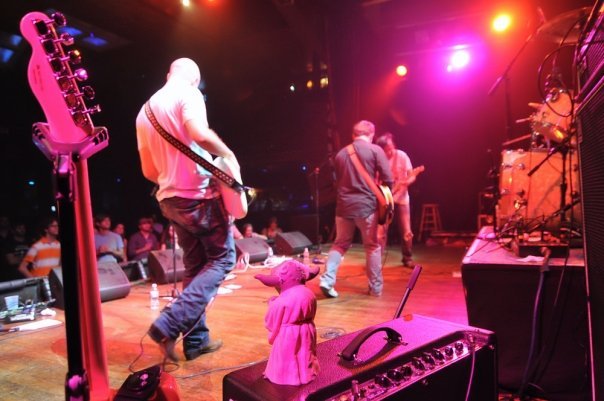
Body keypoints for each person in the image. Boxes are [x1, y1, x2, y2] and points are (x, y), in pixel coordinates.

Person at [136, 57, 238, 361]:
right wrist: (228, 155)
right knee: (223, 259)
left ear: (169, 74)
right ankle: (168, 324)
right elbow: (200, 134)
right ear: (195, 78)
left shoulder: (144, 111)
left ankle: (196, 341)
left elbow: (148, 170)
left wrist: (173, 179)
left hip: (170, 200)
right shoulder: (189, 93)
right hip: (198, 197)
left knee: (195, 267)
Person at [318, 120, 393, 298]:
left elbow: (338, 182)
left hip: (343, 207)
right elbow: (388, 179)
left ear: (353, 135)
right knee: (372, 246)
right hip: (366, 207)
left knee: (340, 244)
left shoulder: (340, 154)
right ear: (371, 134)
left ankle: (327, 280)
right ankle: (375, 288)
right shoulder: (375, 150)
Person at [375, 132, 418, 267]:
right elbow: (376, 180)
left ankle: (407, 258)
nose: (390, 151)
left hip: (402, 199)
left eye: (391, 148)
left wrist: (407, 182)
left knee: (406, 231)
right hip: (385, 199)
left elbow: (412, 175)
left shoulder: (402, 156)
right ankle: (376, 260)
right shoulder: (378, 159)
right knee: (380, 233)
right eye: (386, 149)